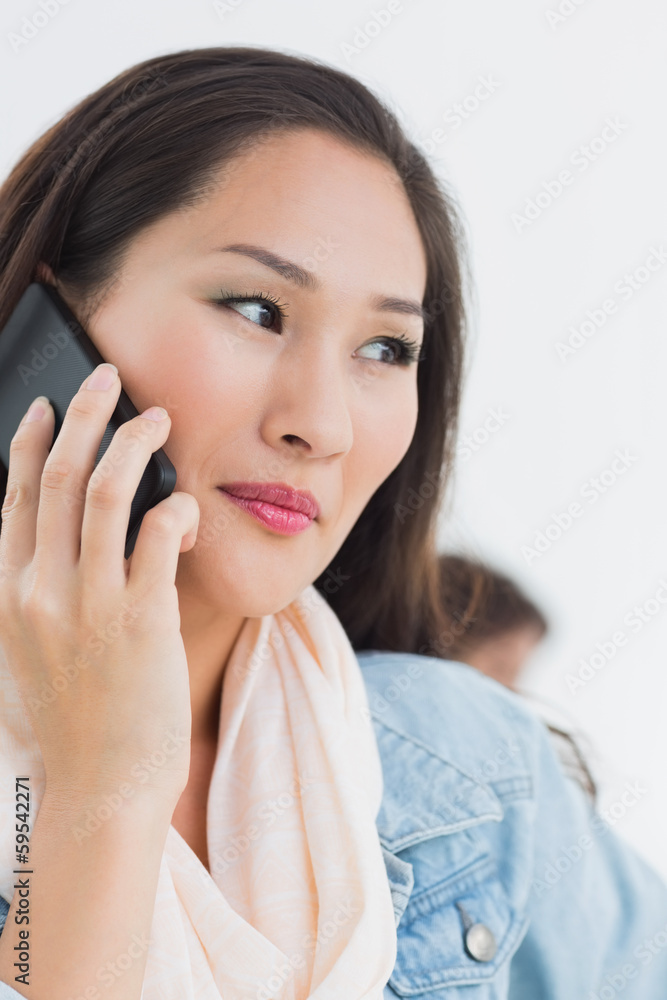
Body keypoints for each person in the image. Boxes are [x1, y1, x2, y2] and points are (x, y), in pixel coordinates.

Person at [0, 45, 665, 1000]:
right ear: (48, 325)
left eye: (386, 348)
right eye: (256, 307)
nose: (321, 423)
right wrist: (104, 791)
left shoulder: (465, 771)